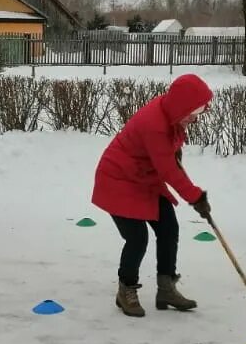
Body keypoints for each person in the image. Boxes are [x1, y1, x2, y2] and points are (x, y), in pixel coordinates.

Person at [91, 73, 212, 318]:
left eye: (200, 110)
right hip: (118, 180)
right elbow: (168, 169)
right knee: (137, 238)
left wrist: (175, 152)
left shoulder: (170, 113)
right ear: (181, 106)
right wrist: (196, 197)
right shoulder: (154, 125)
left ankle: (166, 289)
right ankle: (126, 290)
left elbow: (167, 158)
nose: (196, 117)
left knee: (168, 228)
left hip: (144, 178)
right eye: (194, 110)